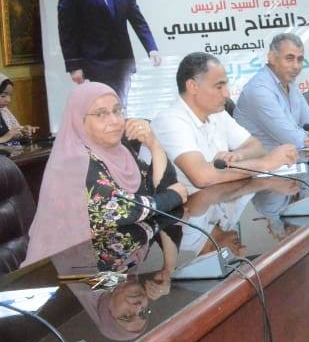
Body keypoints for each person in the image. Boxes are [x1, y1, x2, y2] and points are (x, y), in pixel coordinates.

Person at [22, 81, 188, 266]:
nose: (115, 120)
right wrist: (172, 196)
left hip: (114, 257)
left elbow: (163, 189)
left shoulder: (121, 151)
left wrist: (154, 145)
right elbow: (122, 210)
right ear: (79, 120)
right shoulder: (73, 160)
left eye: (117, 111)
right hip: (67, 268)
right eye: (101, 114)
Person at [152, 52, 298, 188]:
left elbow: (256, 147)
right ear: (193, 86)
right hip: (187, 205)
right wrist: (266, 164)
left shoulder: (218, 113)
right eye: (219, 86)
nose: (227, 94)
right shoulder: (169, 121)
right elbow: (202, 177)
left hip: (220, 199)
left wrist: (238, 156)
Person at [57, 0, 160, 110]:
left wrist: (152, 48)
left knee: (122, 107)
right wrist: (73, 66)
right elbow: (67, 31)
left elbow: (138, 21)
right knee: (101, 109)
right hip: (94, 64)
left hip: (123, 63)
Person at [234, 33, 309, 149]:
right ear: (272, 58)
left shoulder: (290, 84)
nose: (296, 66)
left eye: (300, 59)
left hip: (294, 157)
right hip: (261, 160)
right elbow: (294, 140)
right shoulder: (259, 90)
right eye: (289, 58)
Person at [0, 73, 38, 144]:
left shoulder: (4, 110)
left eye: (10, 95)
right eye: (3, 96)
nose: (8, 100)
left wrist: (23, 131)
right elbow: (8, 135)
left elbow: (13, 131)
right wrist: (5, 137)